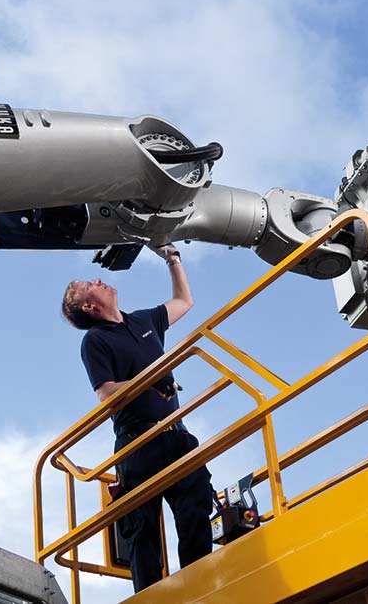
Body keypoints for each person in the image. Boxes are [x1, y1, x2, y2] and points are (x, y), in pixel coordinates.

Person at [61, 244, 213, 593]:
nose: (100, 279)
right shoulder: (95, 341)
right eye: (91, 284)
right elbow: (105, 394)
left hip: (176, 434)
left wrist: (172, 258)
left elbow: (183, 302)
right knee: (142, 530)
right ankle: (150, 598)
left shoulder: (144, 320)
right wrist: (148, 380)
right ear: (89, 306)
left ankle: (201, 589)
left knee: (195, 510)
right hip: (137, 442)